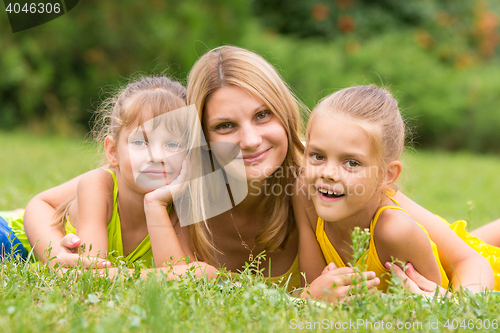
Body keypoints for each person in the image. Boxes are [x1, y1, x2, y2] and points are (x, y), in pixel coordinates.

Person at [22, 46, 493, 299]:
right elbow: (45, 203)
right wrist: (55, 254)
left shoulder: (321, 175)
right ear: (198, 137)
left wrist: (462, 303)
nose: (250, 139)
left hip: (434, 257)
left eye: (264, 115)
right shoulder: (181, 183)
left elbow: (463, 261)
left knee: (479, 242)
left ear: (286, 115)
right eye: (225, 126)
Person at [2, 76, 210, 273]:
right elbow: (92, 272)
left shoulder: (183, 206)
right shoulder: (98, 185)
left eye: (173, 144)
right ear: (112, 151)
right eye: (140, 142)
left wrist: (156, 203)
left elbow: (179, 275)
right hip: (12, 236)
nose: (156, 156)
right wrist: (55, 253)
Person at [297, 85, 449, 293]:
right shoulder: (306, 198)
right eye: (318, 156)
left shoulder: (396, 231)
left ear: (387, 175)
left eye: (351, 163)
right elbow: (312, 289)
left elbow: (436, 309)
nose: (328, 173)